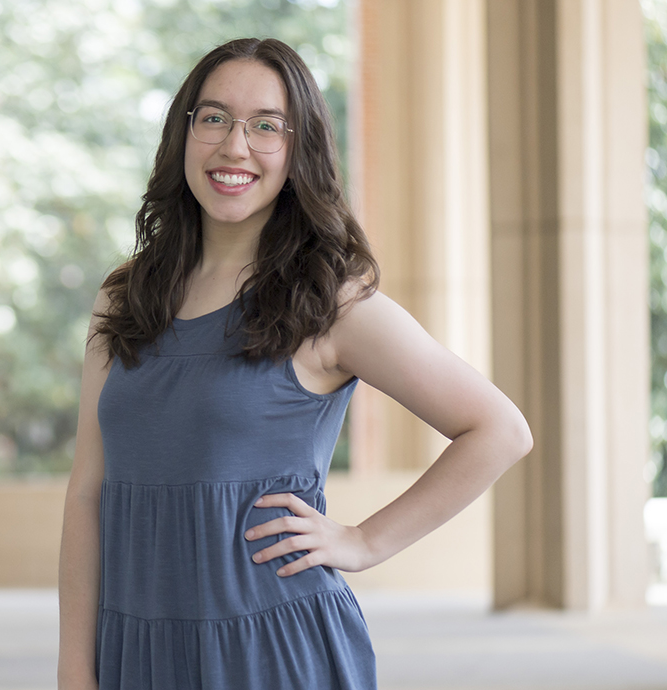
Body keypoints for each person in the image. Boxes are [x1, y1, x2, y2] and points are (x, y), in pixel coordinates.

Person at [56, 37, 533, 689]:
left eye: (266, 126)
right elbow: (88, 494)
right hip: (137, 646)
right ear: (184, 132)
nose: (234, 147)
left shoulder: (332, 303)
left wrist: (364, 542)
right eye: (215, 117)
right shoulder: (125, 296)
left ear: (298, 148)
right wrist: (75, 669)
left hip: (273, 646)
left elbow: (500, 430)